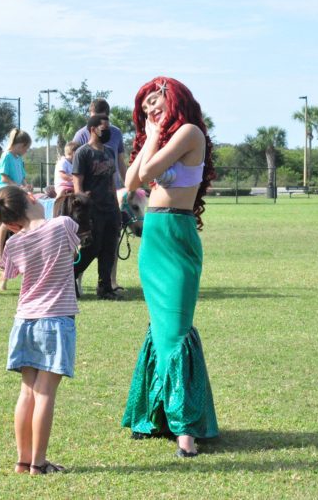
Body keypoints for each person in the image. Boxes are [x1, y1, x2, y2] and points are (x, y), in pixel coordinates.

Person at [121, 76, 219, 457]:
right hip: (154, 237)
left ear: (174, 100)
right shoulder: (157, 138)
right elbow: (132, 182)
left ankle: (187, 430)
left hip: (177, 236)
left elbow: (146, 174)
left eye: (156, 103)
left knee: (176, 329)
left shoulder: (190, 132)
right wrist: (150, 137)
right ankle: (156, 416)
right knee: (161, 330)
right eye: (145, 107)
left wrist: (154, 136)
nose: (151, 111)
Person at [0, 185, 80, 475]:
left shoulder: (14, 243)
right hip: (56, 319)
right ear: (33, 198)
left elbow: (8, 270)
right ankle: (39, 462)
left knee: (27, 392)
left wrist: (9, 234)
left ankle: (22, 461)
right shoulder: (63, 225)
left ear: (10, 222)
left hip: (24, 320)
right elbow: (76, 250)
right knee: (45, 393)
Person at [72, 114, 122, 301]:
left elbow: (111, 181)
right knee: (92, 248)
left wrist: (116, 208)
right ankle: (71, 275)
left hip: (110, 208)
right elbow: (77, 183)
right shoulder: (83, 153)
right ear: (93, 129)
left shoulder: (109, 152)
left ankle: (105, 288)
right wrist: (82, 210)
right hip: (92, 210)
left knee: (109, 248)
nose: (108, 131)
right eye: (104, 128)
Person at [0, 129, 33, 269]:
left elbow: (22, 177)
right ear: (20, 145)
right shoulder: (6, 156)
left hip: (17, 191)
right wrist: (18, 187)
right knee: (7, 222)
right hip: (5, 192)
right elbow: (4, 177)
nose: (26, 151)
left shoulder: (18, 158)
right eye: (26, 148)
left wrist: (26, 185)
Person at [73, 98, 128, 190]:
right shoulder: (80, 136)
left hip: (112, 193)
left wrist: (129, 187)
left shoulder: (116, 133)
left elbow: (121, 162)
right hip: (90, 196)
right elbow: (74, 169)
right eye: (93, 118)